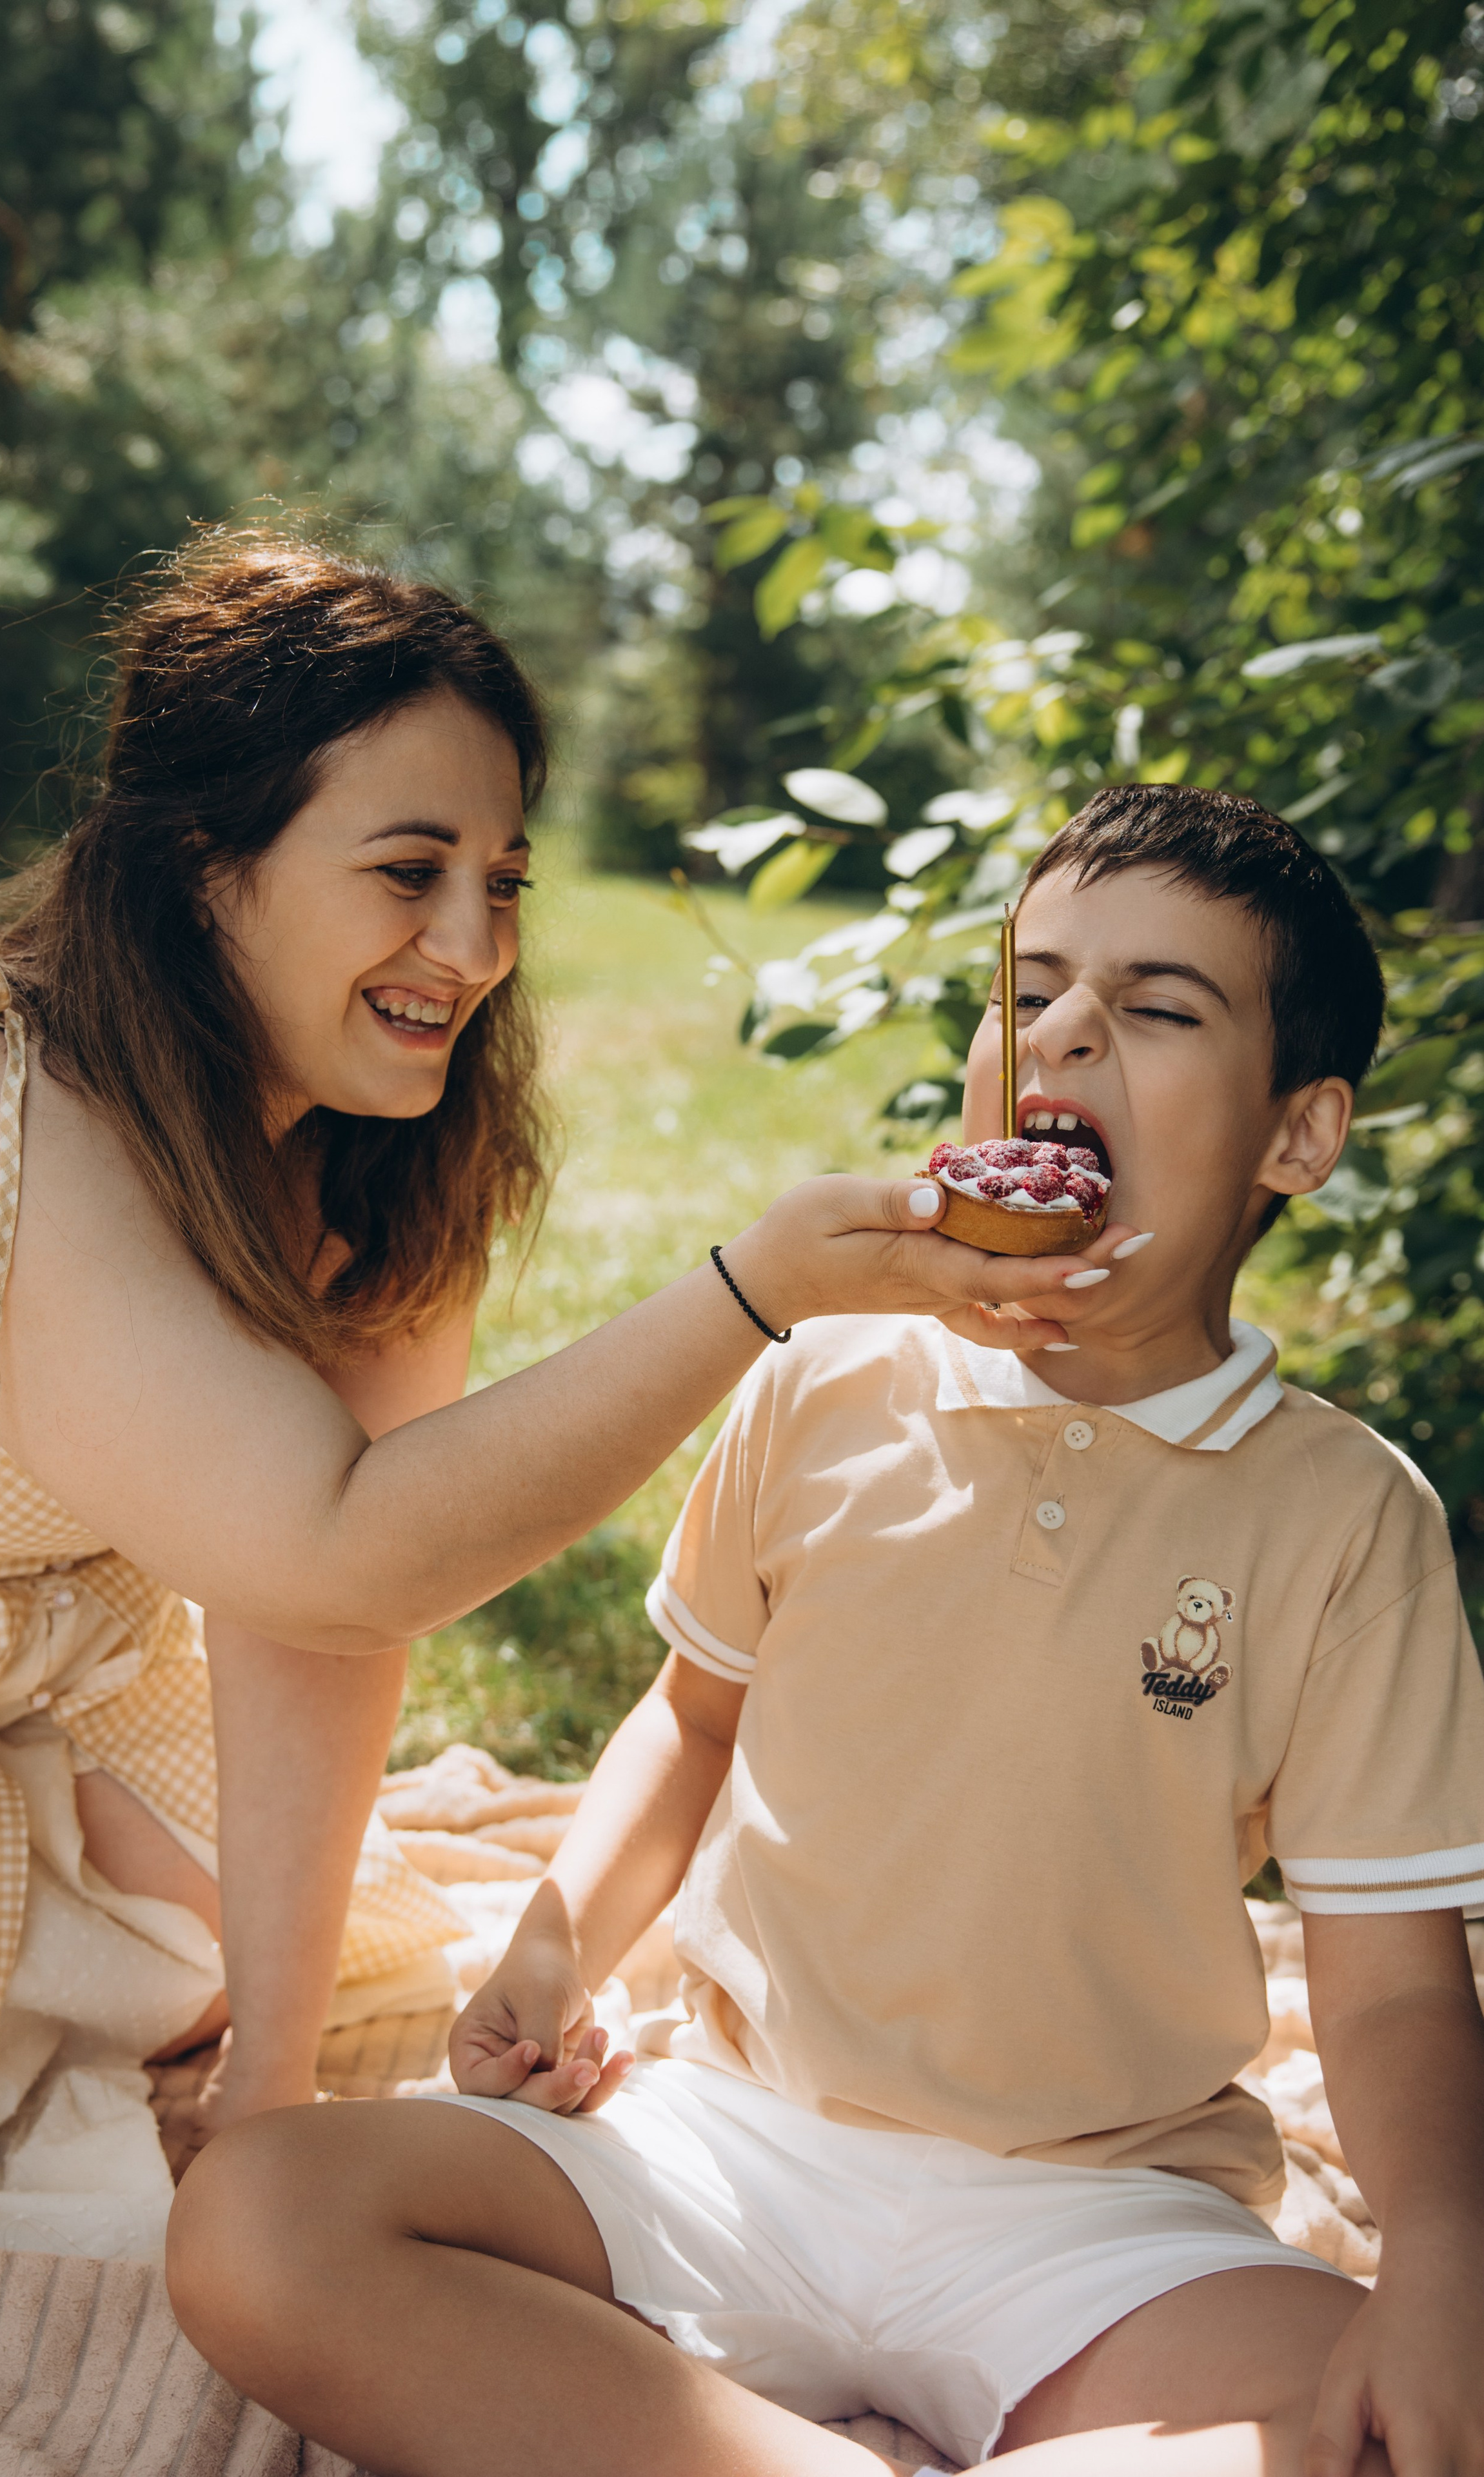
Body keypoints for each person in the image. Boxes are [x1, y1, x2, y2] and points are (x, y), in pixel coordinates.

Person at [168, 785, 1484, 2476]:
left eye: (1157, 1009)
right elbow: (694, 1720)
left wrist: (1443, 2262)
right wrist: (561, 1938)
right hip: (724, 2142)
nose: (1068, 1030)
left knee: (1365, 2422)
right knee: (258, 2221)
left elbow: (1385, 1995)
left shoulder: (1348, 1516)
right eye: (1032, 994)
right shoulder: (825, 1377)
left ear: (1297, 1138)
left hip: (1112, 2232)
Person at [0, 535, 1121, 2235]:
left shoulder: (359, 1145)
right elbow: (342, 1545)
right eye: (409, 869)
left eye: (503, 880)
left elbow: (335, 1616)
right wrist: (760, 1292)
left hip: (34, 1695)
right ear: (203, 856)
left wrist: (272, 2086)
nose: (470, 945)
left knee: (261, 1984)